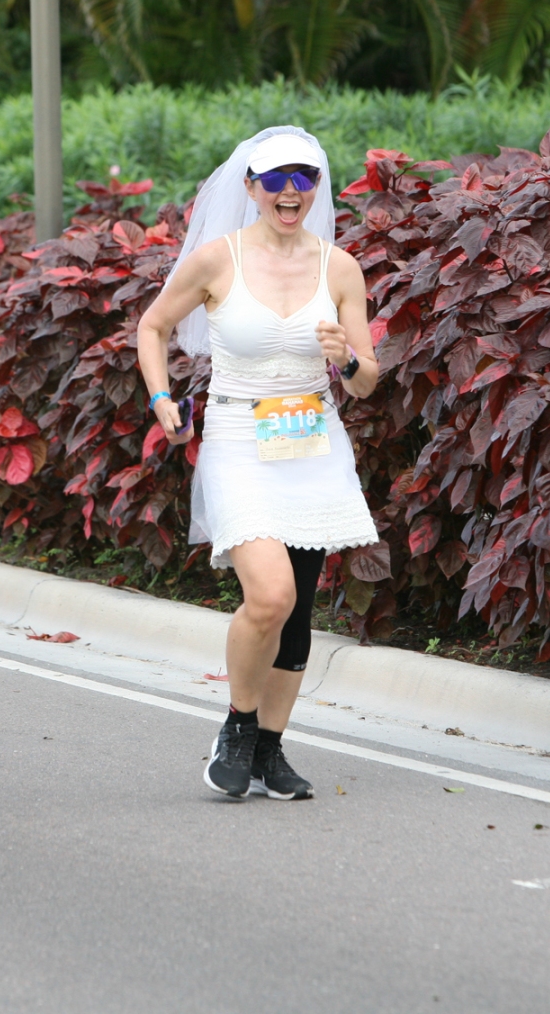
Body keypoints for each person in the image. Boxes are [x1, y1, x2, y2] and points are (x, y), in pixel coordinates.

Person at [136, 127, 381, 800]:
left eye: (304, 178)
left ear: (316, 188)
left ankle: (270, 751)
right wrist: (160, 398)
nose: (290, 191)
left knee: (297, 610)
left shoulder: (339, 268)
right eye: (275, 179)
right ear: (250, 187)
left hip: (312, 443)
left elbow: (367, 380)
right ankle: (238, 726)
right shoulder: (217, 260)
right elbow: (153, 326)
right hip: (239, 439)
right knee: (270, 595)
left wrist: (346, 360)